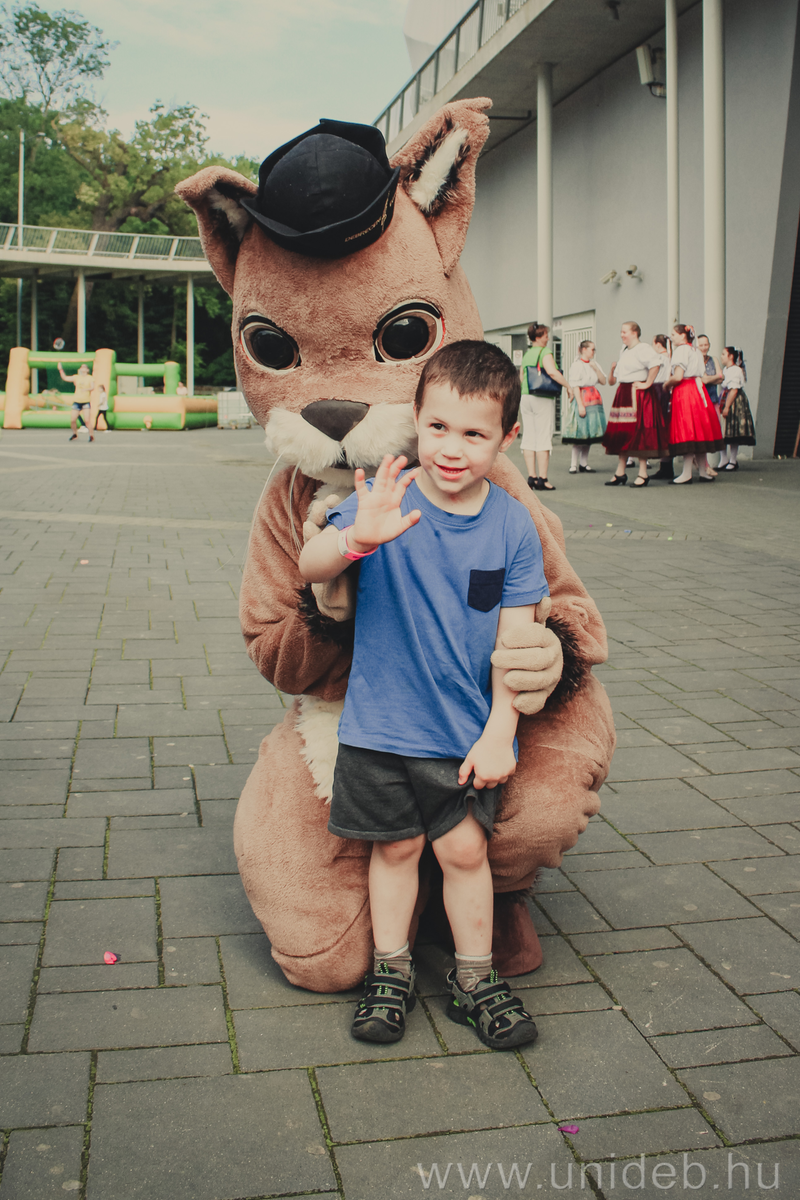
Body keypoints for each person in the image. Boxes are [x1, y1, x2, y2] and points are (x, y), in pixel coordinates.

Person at [299, 340, 545, 1050]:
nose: (452, 449)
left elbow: (518, 644)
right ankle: (392, 970)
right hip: (379, 728)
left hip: (463, 734)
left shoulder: (512, 525)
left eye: (474, 434)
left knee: (465, 853)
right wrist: (356, 539)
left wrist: (500, 731)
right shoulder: (386, 494)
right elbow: (309, 564)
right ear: (415, 418)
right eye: (437, 427)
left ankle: (475, 977)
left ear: (507, 438)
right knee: (397, 850)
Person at [602, 321, 667, 487]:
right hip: (624, 392)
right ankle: (620, 472)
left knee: (639, 432)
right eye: (621, 332)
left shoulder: (643, 348)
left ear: (634, 333)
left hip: (637, 394)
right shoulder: (624, 350)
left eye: (624, 332)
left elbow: (655, 364)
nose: (622, 335)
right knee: (623, 433)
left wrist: (647, 383)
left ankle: (643, 473)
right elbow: (614, 379)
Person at [664, 325, 724, 484]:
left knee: (688, 431)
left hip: (685, 391)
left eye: (674, 334)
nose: (672, 337)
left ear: (682, 335)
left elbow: (678, 376)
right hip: (699, 391)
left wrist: (666, 384)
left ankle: (687, 473)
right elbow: (702, 375)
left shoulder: (681, 351)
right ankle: (703, 471)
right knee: (700, 430)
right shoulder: (696, 351)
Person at [519, 322, 572, 492]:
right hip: (541, 397)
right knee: (543, 436)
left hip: (526, 396)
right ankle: (543, 479)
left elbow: (521, 377)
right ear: (538, 337)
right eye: (545, 335)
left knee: (529, 435)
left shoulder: (527, 354)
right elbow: (552, 372)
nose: (548, 338)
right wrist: (568, 386)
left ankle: (531, 477)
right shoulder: (545, 352)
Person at [563, 340, 607, 473]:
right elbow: (576, 386)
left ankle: (584, 463)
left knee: (590, 432)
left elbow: (603, 381)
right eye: (592, 349)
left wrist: (596, 369)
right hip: (583, 398)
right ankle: (573, 464)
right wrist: (580, 405)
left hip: (594, 399)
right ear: (584, 350)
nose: (594, 352)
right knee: (580, 433)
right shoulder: (577, 365)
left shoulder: (594, 364)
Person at [718, 347, 755, 469]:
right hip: (726, 397)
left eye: (724, 354)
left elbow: (734, 390)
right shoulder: (726, 369)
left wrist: (727, 407)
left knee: (733, 429)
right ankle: (724, 459)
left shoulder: (735, 370)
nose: (721, 356)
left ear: (731, 356)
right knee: (723, 430)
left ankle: (733, 460)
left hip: (733, 400)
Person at [649, 334, 675, 480]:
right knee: (666, 428)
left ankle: (664, 466)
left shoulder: (658, 358)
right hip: (667, 392)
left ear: (658, 344)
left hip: (658, 391)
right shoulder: (670, 359)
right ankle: (666, 465)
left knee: (659, 427)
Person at [58, 361, 95, 442]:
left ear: (87, 370)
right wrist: (60, 369)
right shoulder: (76, 377)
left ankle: (91, 435)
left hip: (85, 401)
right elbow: (65, 378)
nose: (83, 368)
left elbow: (93, 387)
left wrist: (86, 389)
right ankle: (75, 434)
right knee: (73, 420)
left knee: (87, 420)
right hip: (77, 401)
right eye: (82, 367)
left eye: (84, 367)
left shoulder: (90, 378)